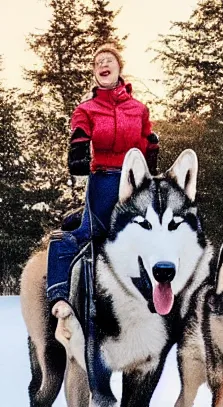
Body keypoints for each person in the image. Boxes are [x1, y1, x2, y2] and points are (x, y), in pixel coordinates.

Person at [46, 44, 159, 313]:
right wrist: (79, 146)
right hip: (104, 180)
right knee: (77, 236)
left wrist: (152, 148)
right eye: (97, 63)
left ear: (119, 68)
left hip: (135, 181)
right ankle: (60, 297)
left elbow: (146, 140)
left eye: (108, 60)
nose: (102, 65)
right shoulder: (87, 108)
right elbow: (81, 130)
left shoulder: (139, 109)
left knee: (156, 232)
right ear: (95, 74)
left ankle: (160, 294)